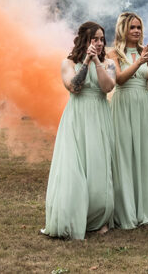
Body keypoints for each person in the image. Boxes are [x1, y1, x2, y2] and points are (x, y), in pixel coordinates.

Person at [41, 21, 117, 240]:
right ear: (85, 40)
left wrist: (97, 62)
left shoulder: (109, 64)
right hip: (77, 116)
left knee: (98, 165)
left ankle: (98, 219)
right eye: (95, 39)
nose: (100, 43)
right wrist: (85, 62)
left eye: (102, 39)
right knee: (74, 165)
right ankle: (73, 215)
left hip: (99, 116)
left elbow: (107, 87)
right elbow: (74, 87)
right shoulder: (68, 63)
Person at [109, 11, 148, 229]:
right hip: (123, 104)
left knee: (144, 153)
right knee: (124, 154)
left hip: (143, 104)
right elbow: (119, 79)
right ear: (123, 29)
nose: (137, 31)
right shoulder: (113, 53)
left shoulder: (143, 52)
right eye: (132, 27)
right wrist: (139, 62)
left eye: (139, 27)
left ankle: (145, 209)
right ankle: (126, 209)